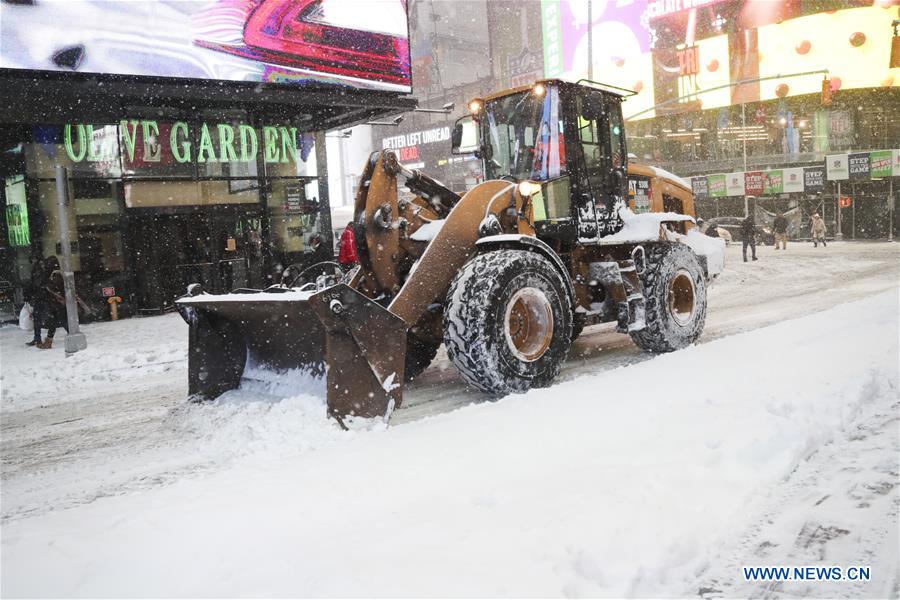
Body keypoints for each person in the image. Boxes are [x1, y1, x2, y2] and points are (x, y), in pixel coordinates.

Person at [36, 256, 68, 349]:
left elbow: (55, 288)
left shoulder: (56, 274)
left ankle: (72, 335)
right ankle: (48, 342)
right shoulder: (54, 274)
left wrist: (47, 285)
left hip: (58, 302)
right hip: (56, 302)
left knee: (62, 321)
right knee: (53, 322)